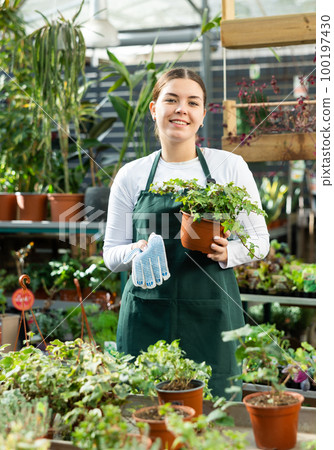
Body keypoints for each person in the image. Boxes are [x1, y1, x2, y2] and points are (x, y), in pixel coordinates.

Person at [103, 67, 270, 399]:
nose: (182, 109)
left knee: (214, 414)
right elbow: (111, 254)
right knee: (144, 413)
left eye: (193, 102)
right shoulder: (131, 175)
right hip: (146, 317)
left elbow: (259, 242)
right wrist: (136, 251)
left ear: (203, 115)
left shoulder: (228, 167)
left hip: (211, 318)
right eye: (172, 99)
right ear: (154, 108)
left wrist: (229, 252)